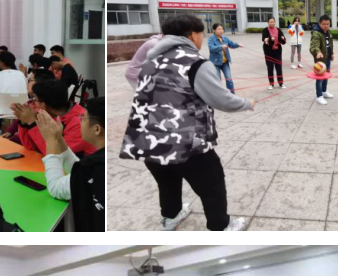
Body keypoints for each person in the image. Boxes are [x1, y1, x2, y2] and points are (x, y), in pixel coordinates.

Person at [121, 14, 254, 232]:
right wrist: (247, 103)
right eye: (202, 34)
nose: (202, 38)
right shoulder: (196, 63)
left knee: (167, 181)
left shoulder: (149, 62)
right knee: (212, 185)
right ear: (193, 35)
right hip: (187, 143)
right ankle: (221, 227)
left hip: (149, 139)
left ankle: (170, 217)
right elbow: (222, 100)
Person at [37, 97, 105, 231]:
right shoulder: (97, 161)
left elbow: (55, 187)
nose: (80, 121)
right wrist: (58, 138)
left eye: (83, 118)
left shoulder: (95, 167)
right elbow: (79, 172)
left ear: (96, 129)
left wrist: (50, 141)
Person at [12, 79, 96, 158]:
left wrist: (32, 122)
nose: (32, 103)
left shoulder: (80, 123)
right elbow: (31, 147)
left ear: (44, 105)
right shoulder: (54, 113)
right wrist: (24, 122)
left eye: (35, 99)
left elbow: (54, 155)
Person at [207, 23, 243, 94]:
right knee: (217, 80)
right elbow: (211, 48)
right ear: (214, 30)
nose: (221, 31)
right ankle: (219, 96)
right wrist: (221, 47)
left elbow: (232, 44)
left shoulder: (225, 38)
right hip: (215, 63)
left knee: (229, 80)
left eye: (222, 29)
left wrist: (238, 44)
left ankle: (232, 95)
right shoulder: (211, 39)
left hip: (225, 62)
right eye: (218, 29)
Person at [309, 14, 335, 105]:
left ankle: (324, 91)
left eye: (328, 24)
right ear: (319, 23)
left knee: (326, 75)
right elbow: (314, 45)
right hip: (320, 59)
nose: (326, 26)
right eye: (324, 24)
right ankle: (319, 96)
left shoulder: (328, 32)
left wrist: (332, 53)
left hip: (327, 57)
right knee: (319, 78)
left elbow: (330, 44)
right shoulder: (316, 33)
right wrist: (318, 52)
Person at [263, 16, 286, 90]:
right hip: (268, 52)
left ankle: (281, 83)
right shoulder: (265, 30)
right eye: (270, 22)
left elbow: (283, 39)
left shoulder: (278, 30)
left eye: (273, 22)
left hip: (277, 52)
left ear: (275, 22)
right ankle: (271, 84)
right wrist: (270, 39)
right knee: (270, 68)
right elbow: (264, 39)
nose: (272, 23)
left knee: (279, 68)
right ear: (268, 22)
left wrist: (283, 39)